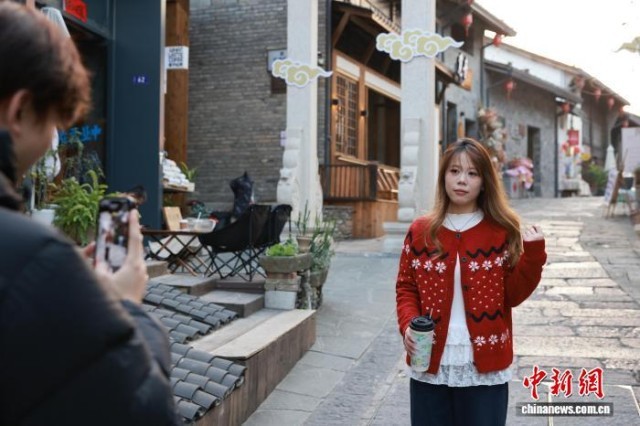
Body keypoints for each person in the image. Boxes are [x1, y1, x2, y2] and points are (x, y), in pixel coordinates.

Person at [0, 3, 179, 425]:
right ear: (20, 110)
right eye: (53, 123)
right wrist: (125, 304)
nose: (52, 140)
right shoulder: (32, 258)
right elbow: (145, 410)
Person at [396, 138, 546, 426]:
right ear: (444, 176)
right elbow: (406, 287)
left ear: (484, 181)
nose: (462, 180)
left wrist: (534, 255)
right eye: (454, 171)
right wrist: (408, 326)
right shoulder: (420, 231)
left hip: (485, 364)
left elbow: (513, 295)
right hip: (430, 359)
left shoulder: (500, 232)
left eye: (472, 173)